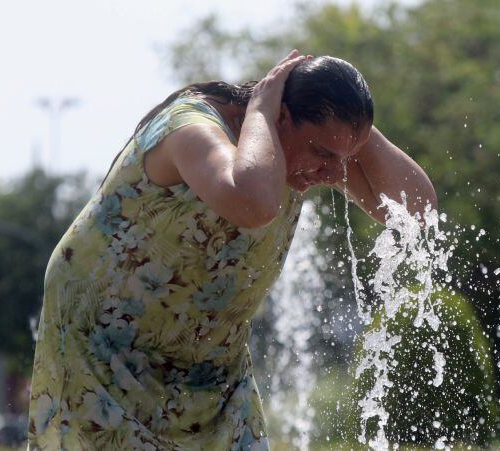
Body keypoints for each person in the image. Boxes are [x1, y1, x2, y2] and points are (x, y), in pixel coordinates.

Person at [27, 49, 437, 450]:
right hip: (104, 348)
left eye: (342, 156)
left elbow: (418, 209)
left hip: (209, 359)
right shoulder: (190, 128)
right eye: (323, 153)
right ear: (281, 117)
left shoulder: (304, 152)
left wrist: (355, 130)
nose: (332, 171)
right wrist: (261, 108)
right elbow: (253, 202)